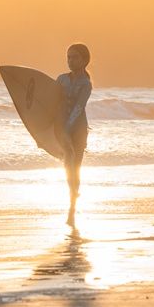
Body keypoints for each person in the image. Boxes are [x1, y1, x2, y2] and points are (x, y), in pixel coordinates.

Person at [56, 43, 92, 227]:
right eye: (68, 57)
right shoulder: (61, 80)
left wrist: (67, 130)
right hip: (62, 127)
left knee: (75, 166)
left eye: (74, 57)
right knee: (67, 165)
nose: (70, 60)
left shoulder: (86, 84)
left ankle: (72, 208)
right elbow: (50, 102)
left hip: (78, 129)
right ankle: (72, 197)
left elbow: (79, 108)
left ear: (84, 60)